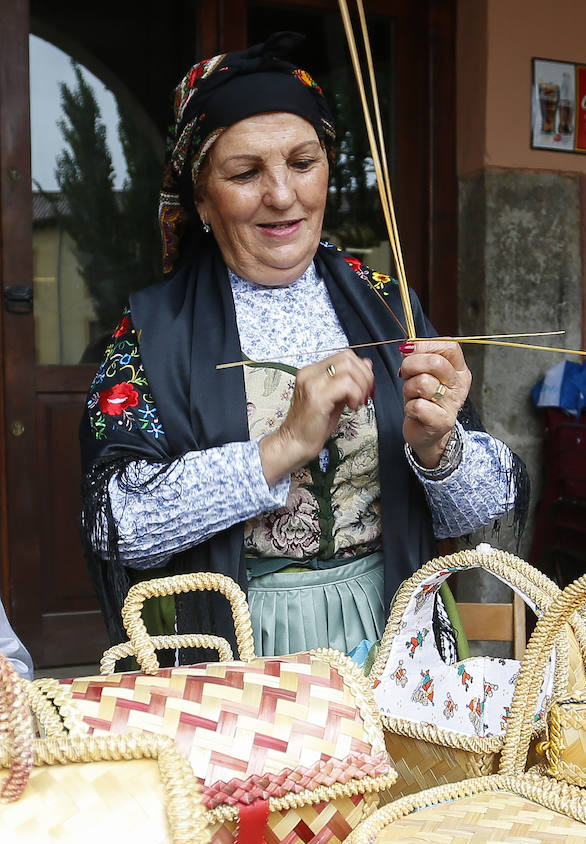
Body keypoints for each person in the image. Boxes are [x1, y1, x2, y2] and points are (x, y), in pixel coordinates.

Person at [80, 34, 526, 658]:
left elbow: (479, 513)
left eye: (302, 162)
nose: (283, 195)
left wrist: (438, 449)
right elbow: (116, 524)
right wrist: (282, 446)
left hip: (394, 637)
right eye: (245, 172)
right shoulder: (155, 330)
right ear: (202, 197)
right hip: (239, 645)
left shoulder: (385, 304)